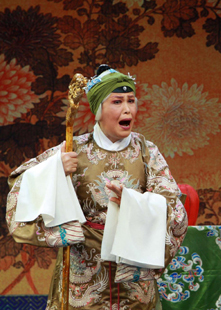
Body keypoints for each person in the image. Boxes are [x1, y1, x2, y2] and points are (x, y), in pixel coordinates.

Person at [6, 65, 188, 309]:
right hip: (82, 269)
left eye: (131, 101)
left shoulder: (145, 150)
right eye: (117, 102)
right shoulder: (74, 149)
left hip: (132, 267)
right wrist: (55, 169)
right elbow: (18, 185)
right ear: (98, 110)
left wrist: (135, 204)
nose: (127, 109)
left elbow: (173, 204)